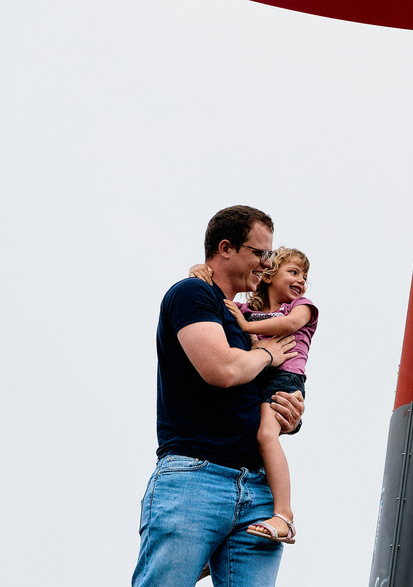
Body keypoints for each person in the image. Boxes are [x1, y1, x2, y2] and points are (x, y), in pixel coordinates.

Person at [133, 205, 307, 587]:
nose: (267, 263)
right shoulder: (192, 294)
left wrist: (286, 414)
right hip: (196, 479)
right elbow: (223, 370)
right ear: (226, 248)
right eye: (259, 253)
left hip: (258, 490)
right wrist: (266, 354)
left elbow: (255, 385)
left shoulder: (246, 315)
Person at [190, 248, 318, 544]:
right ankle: (220, 537)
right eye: (294, 272)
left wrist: (247, 328)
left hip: (285, 378)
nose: (301, 280)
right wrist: (200, 270)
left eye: (304, 276)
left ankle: (284, 515)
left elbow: (287, 326)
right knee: (249, 436)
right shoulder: (246, 310)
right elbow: (219, 302)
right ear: (269, 274)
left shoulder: (300, 307)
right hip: (257, 378)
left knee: (265, 435)